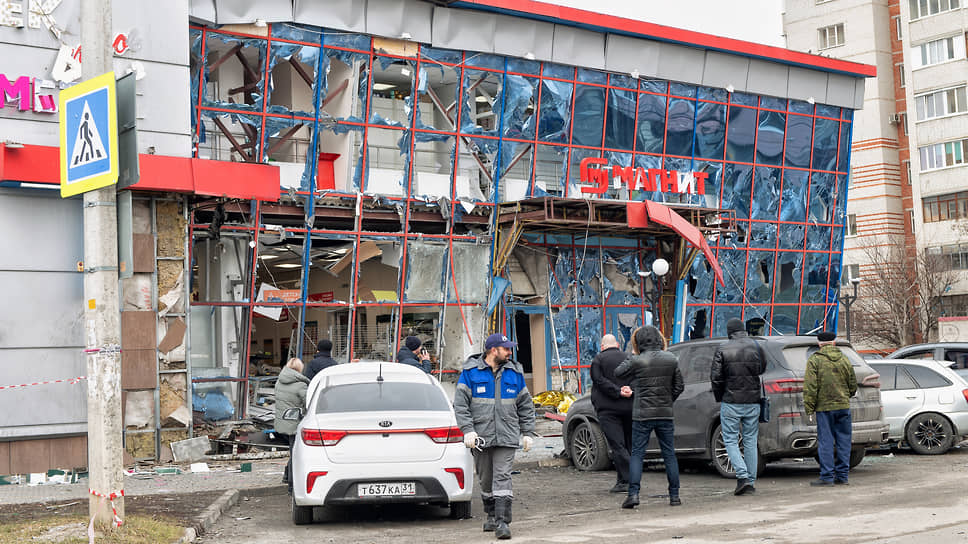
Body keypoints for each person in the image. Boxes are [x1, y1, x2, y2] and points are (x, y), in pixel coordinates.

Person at [454, 333, 537, 540]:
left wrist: (527, 432)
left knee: (503, 477)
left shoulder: (514, 373)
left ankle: (503, 522)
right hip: (480, 437)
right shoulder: (470, 373)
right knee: (486, 479)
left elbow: (525, 405)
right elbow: (461, 405)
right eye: (506, 349)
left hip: (507, 435)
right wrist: (467, 430)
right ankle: (491, 515)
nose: (510, 352)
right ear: (493, 350)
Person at [614, 326, 684, 509]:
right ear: (659, 340)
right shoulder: (671, 359)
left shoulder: (636, 360)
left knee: (637, 454)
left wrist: (632, 355)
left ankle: (633, 494)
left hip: (642, 414)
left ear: (639, 342)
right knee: (669, 454)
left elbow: (618, 373)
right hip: (665, 413)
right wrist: (667, 401)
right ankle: (674, 495)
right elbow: (679, 386)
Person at [711, 318, 768, 496]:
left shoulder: (722, 348)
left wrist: (721, 396)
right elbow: (762, 368)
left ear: (729, 332)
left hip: (731, 401)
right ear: (743, 330)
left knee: (730, 440)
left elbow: (716, 378)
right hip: (753, 401)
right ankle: (750, 481)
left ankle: (742, 477)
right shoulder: (757, 346)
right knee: (750, 440)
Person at [804, 331, 857, 486]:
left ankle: (827, 477)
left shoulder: (815, 360)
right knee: (844, 441)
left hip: (824, 408)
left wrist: (810, 408)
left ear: (819, 344)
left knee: (826, 441)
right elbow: (852, 384)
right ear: (834, 342)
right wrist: (845, 396)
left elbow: (810, 387)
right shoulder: (845, 359)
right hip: (843, 406)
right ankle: (842, 476)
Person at [590, 334, 634, 493]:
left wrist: (616, 392)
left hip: (608, 410)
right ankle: (623, 481)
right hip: (629, 407)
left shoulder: (598, 360)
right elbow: (636, 378)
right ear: (617, 344)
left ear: (602, 346)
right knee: (628, 444)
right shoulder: (628, 358)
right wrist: (628, 390)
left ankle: (630, 478)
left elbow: (598, 380)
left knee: (617, 445)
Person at [274, 358, 309, 493]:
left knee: (293, 451)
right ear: (300, 369)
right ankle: (292, 485)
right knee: (296, 455)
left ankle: (287, 476)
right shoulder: (301, 385)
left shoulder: (279, 382)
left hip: (283, 422)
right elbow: (309, 403)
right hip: (295, 423)